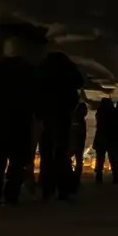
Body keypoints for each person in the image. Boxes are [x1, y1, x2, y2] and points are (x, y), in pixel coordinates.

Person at [0, 38, 38, 204]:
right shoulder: (28, 71)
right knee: (17, 162)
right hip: (20, 122)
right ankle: (12, 192)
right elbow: (34, 97)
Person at [36, 51, 83, 200]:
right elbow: (79, 82)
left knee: (47, 153)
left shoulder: (43, 71)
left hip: (47, 116)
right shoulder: (68, 71)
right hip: (63, 115)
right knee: (61, 153)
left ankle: (47, 187)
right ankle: (63, 188)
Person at [91, 96, 117, 184]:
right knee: (112, 157)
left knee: (100, 158)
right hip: (111, 138)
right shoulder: (113, 112)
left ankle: (99, 175)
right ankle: (115, 176)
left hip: (102, 137)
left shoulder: (100, 112)